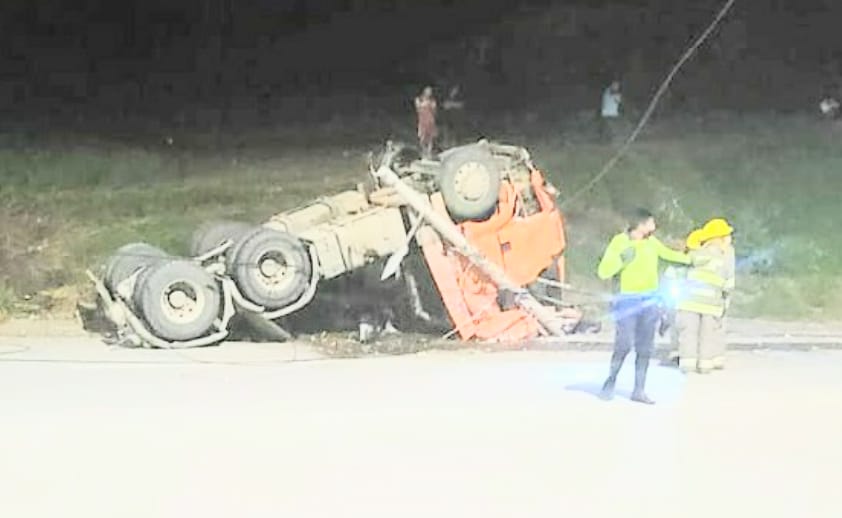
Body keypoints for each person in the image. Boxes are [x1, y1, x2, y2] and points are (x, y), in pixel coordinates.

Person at [597, 208, 696, 404]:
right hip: (626, 300)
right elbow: (603, 271)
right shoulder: (620, 242)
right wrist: (621, 260)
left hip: (649, 301)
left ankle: (639, 389)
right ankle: (611, 380)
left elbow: (669, 255)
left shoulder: (651, 242)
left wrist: (693, 260)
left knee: (645, 347)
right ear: (640, 224)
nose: (654, 226)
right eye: (651, 222)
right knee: (624, 344)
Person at [675, 218, 736, 374]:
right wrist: (726, 298)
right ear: (721, 237)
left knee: (688, 333)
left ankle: (687, 364)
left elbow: (681, 272)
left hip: (688, 302)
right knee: (708, 334)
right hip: (711, 303)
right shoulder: (725, 255)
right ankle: (705, 365)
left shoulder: (696, 253)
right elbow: (728, 282)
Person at [660, 228, 705, 364]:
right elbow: (667, 282)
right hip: (677, 299)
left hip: (694, 300)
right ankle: (676, 351)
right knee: (675, 325)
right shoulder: (674, 267)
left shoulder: (699, 264)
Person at [414, 86, 438, 158]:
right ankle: (423, 151)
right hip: (422, 121)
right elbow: (418, 109)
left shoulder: (432, 101)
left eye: (430, 91)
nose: (429, 93)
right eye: (427, 91)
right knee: (422, 138)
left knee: (430, 138)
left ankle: (429, 152)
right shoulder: (419, 99)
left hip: (430, 120)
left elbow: (434, 111)